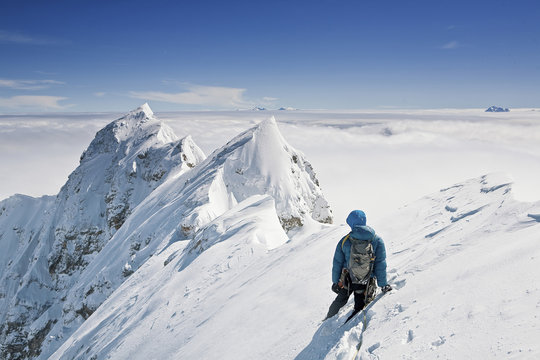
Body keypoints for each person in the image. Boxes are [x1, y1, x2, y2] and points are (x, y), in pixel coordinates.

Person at [325, 210, 392, 320]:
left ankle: (328, 319)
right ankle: (352, 322)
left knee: (340, 300)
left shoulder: (345, 240)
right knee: (359, 304)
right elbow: (380, 264)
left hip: (348, 278)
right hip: (366, 278)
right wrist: (383, 284)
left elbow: (337, 262)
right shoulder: (377, 240)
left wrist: (335, 281)